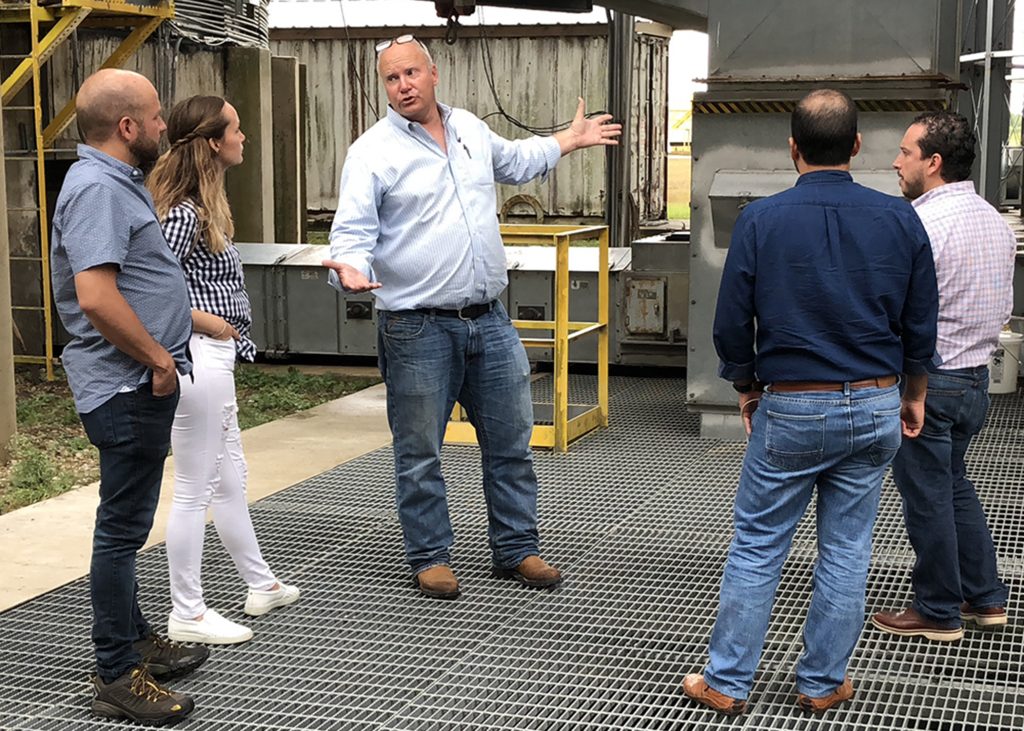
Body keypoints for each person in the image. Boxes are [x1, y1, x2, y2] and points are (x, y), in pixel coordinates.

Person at [322, 35, 620, 599]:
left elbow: (517, 160)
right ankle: (430, 556)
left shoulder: (470, 131)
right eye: (391, 78)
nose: (403, 85)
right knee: (420, 451)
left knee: (511, 439)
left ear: (434, 73)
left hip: (489, 319)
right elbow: (351, 234)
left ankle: (516, 548)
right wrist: (349, 271)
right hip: (416, 326)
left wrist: (570, 141)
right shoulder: (371, 152)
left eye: (411, 73)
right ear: (384, 87)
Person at [681, 89, 938, 716]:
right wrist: (913, 395)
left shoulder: (762, 220)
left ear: (791, 147)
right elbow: (921, 321)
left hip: (792, 407)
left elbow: (730, 322)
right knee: (848, 549)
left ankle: (727, 682)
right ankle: (823, 683)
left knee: (758, 544)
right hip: (876, 404)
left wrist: (745, 386)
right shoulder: (901, 218)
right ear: (856, 146)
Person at [50, 68, 208, 725]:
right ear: (127, 127)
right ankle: (117, 670)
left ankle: (137, 637)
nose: (164, 124)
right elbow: (95, 295)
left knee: (128, 519)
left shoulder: (114, 182)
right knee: (120, 530)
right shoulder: (97, 189)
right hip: (125, 383)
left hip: (136, 380)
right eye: (156, 114)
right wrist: (156, 357)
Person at [147, 95, 301, 644]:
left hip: (215, 357)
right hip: (196, 356)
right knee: (194, 486)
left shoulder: (203, 205)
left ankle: (261, 583)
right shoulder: (185, 212)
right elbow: (145, 292)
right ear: (214, 142)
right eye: (237, 129)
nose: (244, 137)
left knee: (230, 477)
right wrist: (207, 323)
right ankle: (186, 612)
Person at [872, 112, 1015, 641]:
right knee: (953, 487)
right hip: (975, 381)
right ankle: (986, 598)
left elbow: (897, 309)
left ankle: (937, 609)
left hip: (929, 385)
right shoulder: (993, 221)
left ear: (932, 163)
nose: (895, 161)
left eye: (905, 151)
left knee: (927, 497)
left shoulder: (921, 225)